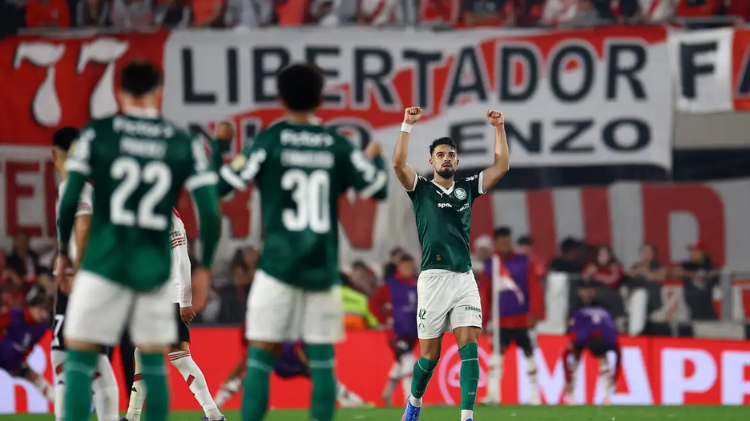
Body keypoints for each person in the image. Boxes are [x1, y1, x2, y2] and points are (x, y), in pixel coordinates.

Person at [215, 62, 389, 421]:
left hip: (276, 268)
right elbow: (379, 187)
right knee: (322, 360)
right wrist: (379, 159)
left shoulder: (269, 141)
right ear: (320, 99)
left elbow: (223, 185)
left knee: (260, 356)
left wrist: (220, 146)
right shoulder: (336, 144)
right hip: (322, 271)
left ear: (280, 98)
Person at [55, 60, 220, 421]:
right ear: (159, 92)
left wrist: (64, 252)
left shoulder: (96, 135)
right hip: (151, 275)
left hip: (104, 265)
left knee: (80, 357)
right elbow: (209, 211)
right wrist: (205, 269)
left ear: (119, 93)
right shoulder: (181, 141)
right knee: (155, 363)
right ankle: (188, 414)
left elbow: (70, 198)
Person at [393, 107, 510, 421]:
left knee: (469, 346)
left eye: (451, 155)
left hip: (464, 278)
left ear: (457, 162)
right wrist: (406, 125)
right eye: (440, 155)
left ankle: (467, 417)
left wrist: (499, 128)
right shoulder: (420, 190)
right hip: (433, 280)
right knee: (429, 357)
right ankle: (414, 402)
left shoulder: (467, 189)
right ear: (431, 161)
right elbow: (398, 164)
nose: (446, 158)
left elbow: (501, 166)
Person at [124, 209, 224, 421]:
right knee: (171, 357)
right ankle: (214, 415)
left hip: (167, 296)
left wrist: (185, 301)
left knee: (169, 356)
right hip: (155, 296)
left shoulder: (167, 215)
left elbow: (181, 258)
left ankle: (133, 416)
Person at [50, 126, 119, 421]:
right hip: (98, 280)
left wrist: (77, 270)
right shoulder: (91, 187)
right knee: (92, 359)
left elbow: (84, 225)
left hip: (83, 280)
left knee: (65, 357)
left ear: (55, 155)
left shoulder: (74, 186)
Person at [480, 226, 543, 405]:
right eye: (502, 242)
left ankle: (535, 395)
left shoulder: (523, 261)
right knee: (496, 355)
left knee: (529, 354)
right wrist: (483, 319)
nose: (505, 246)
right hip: (501, 319)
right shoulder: (491, 264)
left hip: (522, 318)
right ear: (496, 243)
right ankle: (493, 394)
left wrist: (535, 312)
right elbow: (485, 293)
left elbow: (534, 287)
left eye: (508, 242)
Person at [368, 253, 419, 406]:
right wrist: (383, 320)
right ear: (399, 267)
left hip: (412, 332)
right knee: (408, 361)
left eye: (410, 266)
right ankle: (410, 400)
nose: (408, 269)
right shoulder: (390, 286)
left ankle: (387, 393)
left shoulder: (416, 285)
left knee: (400, 363)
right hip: (396, 333)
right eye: (405, 266)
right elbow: (372, 302)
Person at [562, 281, 621, 405]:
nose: (587, 293)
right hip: (583, 337)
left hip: (599, 338)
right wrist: (568, 380)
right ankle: (571, 395)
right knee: (575, 361)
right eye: (584, 290)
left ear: (595, 292)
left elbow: (617, 350)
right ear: (579, 292)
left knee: (603, 361)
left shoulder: (603, 306)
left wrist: (615, 377)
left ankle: (607, 395)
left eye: (590, 290)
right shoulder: (575, 308)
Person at [0, 285, 54, 402]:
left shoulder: (41, 328)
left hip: (14, 361)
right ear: (31, 307)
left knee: (37, 379)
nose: (43, 314)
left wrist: (22, 360)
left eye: (45, 311)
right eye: (40, 310)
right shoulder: (14, 315)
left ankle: (61, 404)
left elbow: (30, 347)